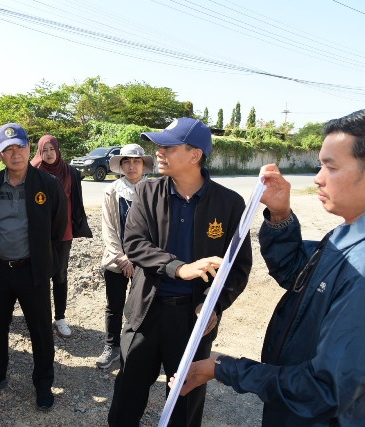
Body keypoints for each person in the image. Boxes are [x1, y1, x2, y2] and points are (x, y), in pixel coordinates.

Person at [174, 108, 365, 427]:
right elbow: (298, 277)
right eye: (320, 165)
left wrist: (224, 368)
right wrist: (280, 215)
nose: (318, 178)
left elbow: (323, 390)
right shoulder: (349, 233)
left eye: (330, 166)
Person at [108, 118, 252, 427]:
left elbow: (238, 267)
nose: (159, 152)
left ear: (195, 154)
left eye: (168, 147)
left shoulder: (229, 204)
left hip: (192, 320)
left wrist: (215, 305)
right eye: (159, 146)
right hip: (146, 312)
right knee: (127, 394)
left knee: (184, 403)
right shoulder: (147, 191)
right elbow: (134, 244)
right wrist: (179, 268)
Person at [0, 123, 67, 411]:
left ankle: (43, 383)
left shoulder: (48, 185)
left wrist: (43, 259)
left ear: (29, 148)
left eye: (21, 147)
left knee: (40, 329)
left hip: (32, 270)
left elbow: (57, 228)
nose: (16, 154)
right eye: (8, 149)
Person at [95, 143, 153, 369]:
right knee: (114, 305)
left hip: (144, 260)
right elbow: (108, 227)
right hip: (116, 259)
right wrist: (121, 256)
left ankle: (137, 349)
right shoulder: (112, 191)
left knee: (142, 306)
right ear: (120, 165)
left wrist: (136, 258)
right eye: (126, 162)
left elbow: (155, 230)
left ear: (143, 165)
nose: (131, 166)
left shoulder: (153, 190)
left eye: (136, 161)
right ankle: (112, 346)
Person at [31, 134, 92, 338]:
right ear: (39, 152)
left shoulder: (69, 172)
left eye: (52, 149)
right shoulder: (33, 171)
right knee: (39, 275)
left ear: (58, 150)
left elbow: (76, 201)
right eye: (44, 150)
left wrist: (78, 225)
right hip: (40, 233)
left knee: (60, 274)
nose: (49, 154)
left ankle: (60, 317)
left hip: (64, 232)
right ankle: (41, 316)